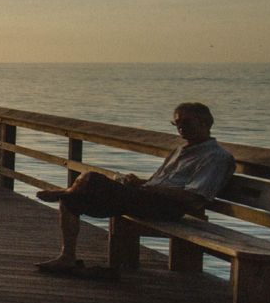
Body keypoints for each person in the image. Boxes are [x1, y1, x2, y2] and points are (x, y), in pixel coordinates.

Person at [35, 102, 236, 274]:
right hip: (147, 198)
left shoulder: (215, 157)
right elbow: (159, 182)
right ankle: (67, 256)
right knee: (73, 200)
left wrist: (150, 190)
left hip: (168, 208)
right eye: (177, 123)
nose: (180, 127)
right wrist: (139, 183)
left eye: (186, 122)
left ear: (204, 123)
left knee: (91, 178)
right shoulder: (180, 150)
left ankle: (65, 191)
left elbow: (194, 198)